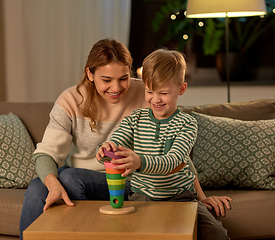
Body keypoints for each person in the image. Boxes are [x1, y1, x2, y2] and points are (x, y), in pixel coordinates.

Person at [96, 49, 232, 240]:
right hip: (142, 199)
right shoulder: (135, 119)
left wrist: (140, 162)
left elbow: (173, 161)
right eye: (149, 91)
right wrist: (106, 147)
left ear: (181, 89)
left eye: (164, 93)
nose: (156, 99)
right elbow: (117, 139)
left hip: (182, 198)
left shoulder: (187, 124)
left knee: (217, 235)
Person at [19, 38, 148, 238]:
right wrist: (52, 184)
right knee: (39, 187)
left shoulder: (145, 94)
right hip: (79, 180)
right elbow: (46, 153)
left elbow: (175, 139)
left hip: (129, 182)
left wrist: (198, 196)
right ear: (90, 73)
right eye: (107, 80)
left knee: (69, 177)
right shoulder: (71, 100)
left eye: (123, 78)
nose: (116, 88)